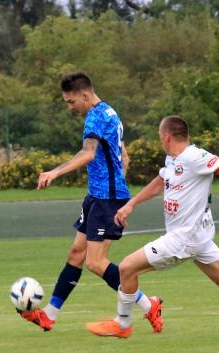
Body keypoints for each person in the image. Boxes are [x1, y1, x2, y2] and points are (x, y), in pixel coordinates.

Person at [86, 115, 219, 338]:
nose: (161, 141)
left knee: (127, 268)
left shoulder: (194, 157)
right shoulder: (173, 160)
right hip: (198, 236)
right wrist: (131, 204)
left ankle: (122, 324)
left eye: (161, 137)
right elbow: (160, 182)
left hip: (184, 238)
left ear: (167, 137)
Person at [18, 71, 163, 332]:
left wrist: (55, 172)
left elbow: (88, 153)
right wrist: (121, 194)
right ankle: (49, 315)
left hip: (106, 199)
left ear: (84, 95)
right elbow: (124, 158)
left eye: (71, 102)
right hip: (100, 197)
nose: (70, 107)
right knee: (76, 254)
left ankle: (147, 304)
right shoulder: (111, 113)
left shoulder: (95, 117)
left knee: (96, 262)